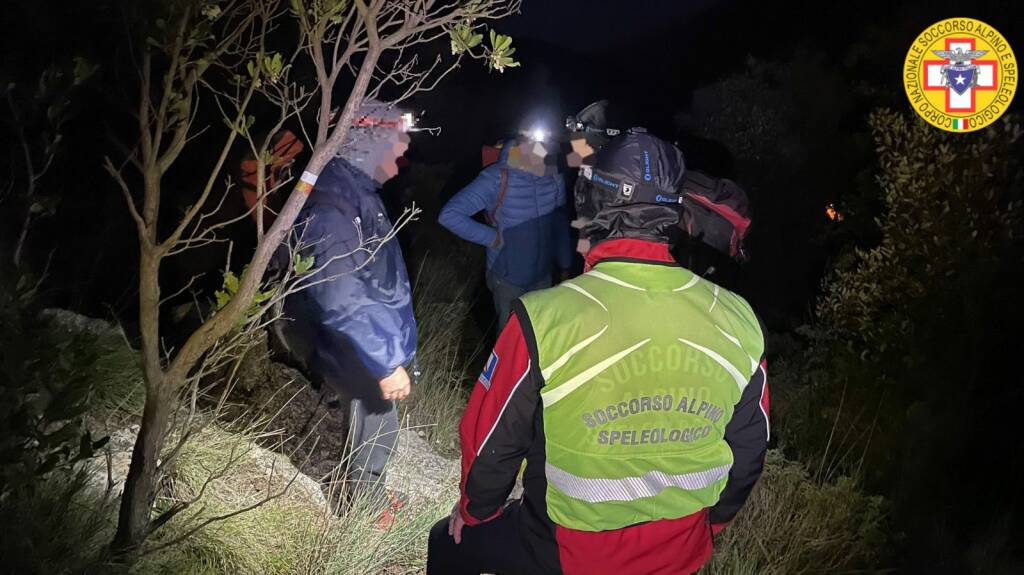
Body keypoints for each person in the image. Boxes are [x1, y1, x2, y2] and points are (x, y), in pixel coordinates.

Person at [426, 129, 769, 574]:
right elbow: (749, 451)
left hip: (567, 550)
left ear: (593, 201)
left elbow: (492, 441)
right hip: (680, 548)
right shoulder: (739, 318)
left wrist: (475, 512)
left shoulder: (544, 317)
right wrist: (710, 526)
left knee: (445, 542)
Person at [275, 100, 417, 516]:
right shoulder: (333, 204)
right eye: (395, 142)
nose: (402, 152)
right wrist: (385, 360)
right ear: (366, 145)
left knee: (376, 417)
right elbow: (340, 294)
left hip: (362, 335)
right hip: (349, 338)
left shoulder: (353, 188)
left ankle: (368, 493)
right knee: (374, 415)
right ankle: (366, 511)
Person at [438, 133, 573, 330]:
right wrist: (493, 238)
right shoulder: (497, 177)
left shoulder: (554, 175)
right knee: (509, 342)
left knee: (541, 337)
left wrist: (565, 264)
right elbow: (450, 215)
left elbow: (559, 222)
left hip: (543, 276)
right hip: (507, 279)